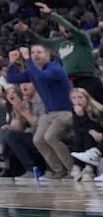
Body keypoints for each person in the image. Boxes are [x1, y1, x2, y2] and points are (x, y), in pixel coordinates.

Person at [7, 43, 74, 177]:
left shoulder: (55, 68)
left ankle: (72, 169)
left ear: (48, 55)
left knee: (50, 137)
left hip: (65, 112)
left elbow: (42, 76)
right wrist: (12, 63)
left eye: (39, 52)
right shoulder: (33, 71)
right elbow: (11, 78)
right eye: (33, 53)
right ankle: (58, 171)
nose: (35, 55)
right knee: (38, 140)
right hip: (49, 114)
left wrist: (28, 60)